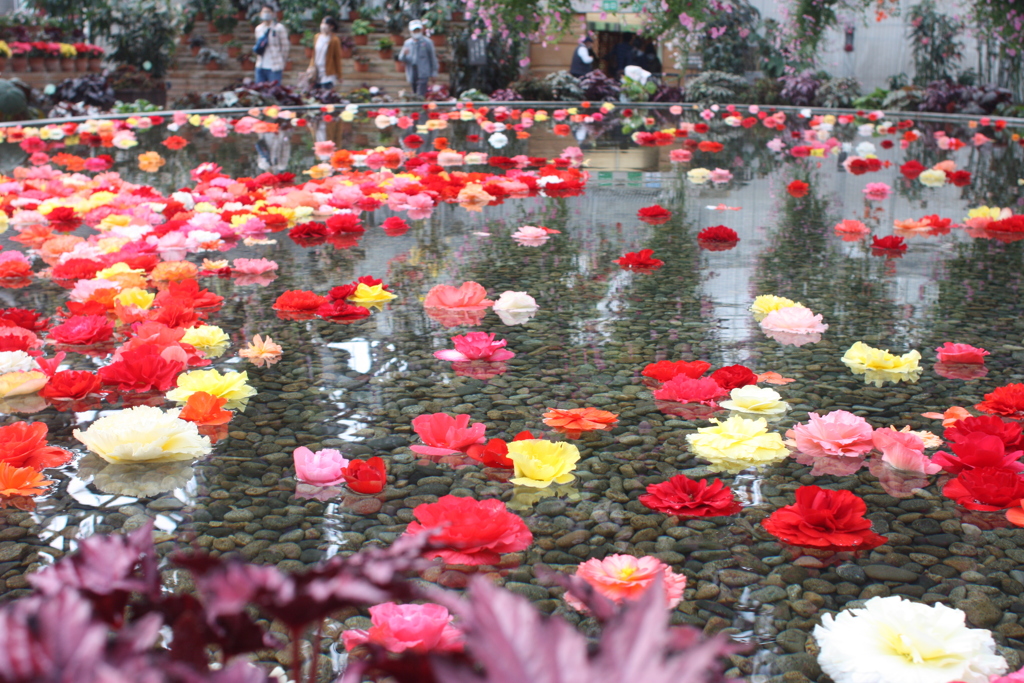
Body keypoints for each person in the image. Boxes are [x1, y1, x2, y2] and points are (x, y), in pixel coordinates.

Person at [399, 20, 438, 98]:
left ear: (421, 30)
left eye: (418, 30)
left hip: (423, 71)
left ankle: (420, 106)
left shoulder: (427, 42)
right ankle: (416, 107)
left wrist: (433, 73)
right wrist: (404, 53)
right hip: (412, 71)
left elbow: (432, 58)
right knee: (414, 91)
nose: (416, 32)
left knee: (420, 93)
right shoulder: (407, 43)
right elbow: (401, 58)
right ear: (411, 31)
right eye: (414, 30)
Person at [253, 5, 289, 84]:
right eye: (264, 12)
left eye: (268, 12)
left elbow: (285, 47)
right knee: (260, 91)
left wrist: (282, 61)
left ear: (273, 14)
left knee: (274, 92)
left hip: (275, 66)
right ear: (261, 14)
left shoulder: (279, 28)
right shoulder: (258, 29)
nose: (266, 14)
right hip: (260, 65)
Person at [307, 16, 343, 89]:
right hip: (316, 72)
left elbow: (337, 58)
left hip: (328, 73)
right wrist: (310, 66)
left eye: (325, 23)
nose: (323, 25)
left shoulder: (334, 40)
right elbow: (314, 54)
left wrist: (339, 75)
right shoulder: (317, 37)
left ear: (331, 26)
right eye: (322, 23)